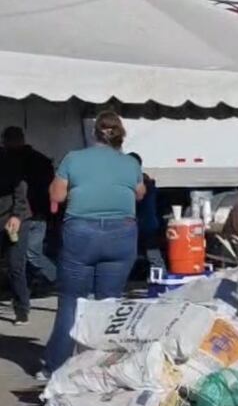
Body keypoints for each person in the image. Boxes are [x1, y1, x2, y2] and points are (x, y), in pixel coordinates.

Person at [44, 111, 145, 375]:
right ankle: (102, 365)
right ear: (119, 134)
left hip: (81, 233)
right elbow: (140, 193)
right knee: (108, 303)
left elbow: (57, 193)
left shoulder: (74, 159)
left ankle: (57, 367)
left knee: (71, 301)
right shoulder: (130, 163)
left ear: (94, 133)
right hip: (121, 234)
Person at [3, 126, 57, 307]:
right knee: (24, 256)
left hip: (29, 214)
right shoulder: (40, 160)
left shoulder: (13, 162)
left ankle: (56, 277)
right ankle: (32, 287)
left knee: (30, 254)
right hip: (35, 213)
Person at [126, 153, 165, 272]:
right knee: (153, 253)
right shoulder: (148, 182)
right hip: (149, 223)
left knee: (127, 254)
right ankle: (160, 277)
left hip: (136, 223)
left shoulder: (134, 181)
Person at [0, 172, 29, 324]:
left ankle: (22, 310)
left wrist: (17, 215)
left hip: (14, 219)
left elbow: (20, 190)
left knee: (15, 265)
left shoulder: (6, 163)